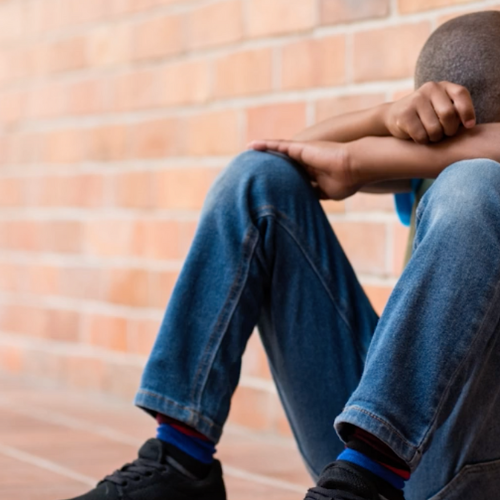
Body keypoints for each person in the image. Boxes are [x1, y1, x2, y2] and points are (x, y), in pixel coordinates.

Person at [64, 11, 500, 500]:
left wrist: (361, 160)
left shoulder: (472, 190)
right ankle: (180, 459)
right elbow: (286, 155)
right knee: (259, 179)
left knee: (476, 184)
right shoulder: (425, 172)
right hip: (368, 463)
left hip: (477, 467)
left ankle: (366, 478)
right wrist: (384, 117)